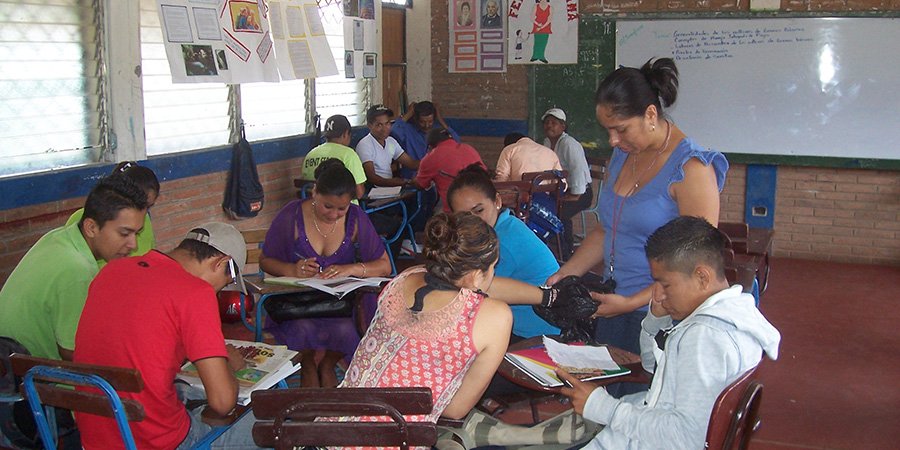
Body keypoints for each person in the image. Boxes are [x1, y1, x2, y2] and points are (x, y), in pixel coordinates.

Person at [547, 58, 729, 358]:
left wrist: (632, 302)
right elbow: (606, 229)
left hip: (662, 314)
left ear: (650, 114)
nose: (613, 140)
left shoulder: (692, 167)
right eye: (607, 131)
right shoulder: (623, 155)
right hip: (613, 303)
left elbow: (698, 261)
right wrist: (566, 274)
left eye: (621, 129)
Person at [557, 216, 781, 449]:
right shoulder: (736, 313)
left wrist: (603, 408)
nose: (659, 295)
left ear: (702, 277)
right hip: (640, 427)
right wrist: (655, 322)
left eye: (666, 284)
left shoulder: (705, 338)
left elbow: (686, 436)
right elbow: (656, 370)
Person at [73, 222, 267, 450]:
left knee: (184, 391)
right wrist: (228, 366)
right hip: (158, 442)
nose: (219, 292)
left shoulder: (112, 270)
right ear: (220, 263)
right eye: (226, 283)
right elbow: (223, 403)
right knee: (271, 425)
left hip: (97, 438)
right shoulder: (196, 293)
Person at [341, 212, 512, 424]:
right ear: (476, 275)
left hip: (331, 427)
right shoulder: (496, 316)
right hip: (392, 440)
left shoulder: (404, 278)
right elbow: (455, 409)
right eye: (493, 267)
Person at [259, 159, 391, 388]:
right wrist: (292, 269)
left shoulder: (356, 217)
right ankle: (308, 362)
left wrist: (350, 269)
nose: (334, 215)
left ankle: (329, 363)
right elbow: (266, 261)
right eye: (327, 206)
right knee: (302, 331)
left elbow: (384, 266)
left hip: (340, 306)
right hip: (297, 307)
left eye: (342, 208)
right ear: (314, 192)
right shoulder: (291, 215)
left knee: (345, 330)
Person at [0, 174, 147, 361]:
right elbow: (73, 352)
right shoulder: (78, 271)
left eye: (137, 233)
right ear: (91, 227)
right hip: (29, 377)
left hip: (8, 357)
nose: (133, 244)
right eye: (124, 233)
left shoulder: (58, 237)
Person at [447, 164, 559, 339]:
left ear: (497, 201)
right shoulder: (505, 226)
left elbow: (475, 291)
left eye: (479, 210)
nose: (473, 221)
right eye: (464, 216)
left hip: (536, 334)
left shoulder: (502, 242)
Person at [65, 161, 160, 260]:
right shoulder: (80, 219)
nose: (133, 245)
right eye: (124, 233)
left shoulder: (144, 220)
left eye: (147, 206)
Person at [541, 107, 593, 259]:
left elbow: (577, 169)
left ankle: (566, 253)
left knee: (559, 213)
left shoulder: (569, 144)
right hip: (562, 191)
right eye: (547, 123)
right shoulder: (546, 142)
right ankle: (551, 249)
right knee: (543, 208)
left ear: (563, 127)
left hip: (582, 192)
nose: (549, 126)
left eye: (554, 123)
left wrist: (575, 194)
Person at [415, 128, 486, 212]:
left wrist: (406, 182)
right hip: (482, 206)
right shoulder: (469, 148)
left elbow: (420, 185)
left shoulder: (431, 158)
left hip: (454, 211)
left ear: (430, 146)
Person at [301, 114, 367, 200]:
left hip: (315, 207)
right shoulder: (348, 154)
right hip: (344, 209)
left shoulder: (310, 154)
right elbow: (359, 193)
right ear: (346, 133)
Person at [356, 104, 419, 188]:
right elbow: (372, 178)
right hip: (374, 191)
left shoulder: (391, 142)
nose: (385, 128)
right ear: (370, 126)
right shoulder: (365, 145)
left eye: (387, 123)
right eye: (379, 125)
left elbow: (411, 164)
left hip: (390, 189)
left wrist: (433, 161)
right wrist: (398, 182)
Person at [390, 101, 460, 175]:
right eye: (422, 122)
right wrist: (409, 113)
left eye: (430, 121)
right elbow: (393, 130)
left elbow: (456, 141)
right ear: (416, 119)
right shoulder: (408, 130)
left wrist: (440, 118)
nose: (427, 125)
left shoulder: (439, 130)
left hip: (435, 178)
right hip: (412, 178)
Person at [494, 132, 562, 182]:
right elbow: (562, 183)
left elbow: (501, 179)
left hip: (519, 199)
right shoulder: (551, 153)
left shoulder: (509, 149)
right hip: (547, 199)